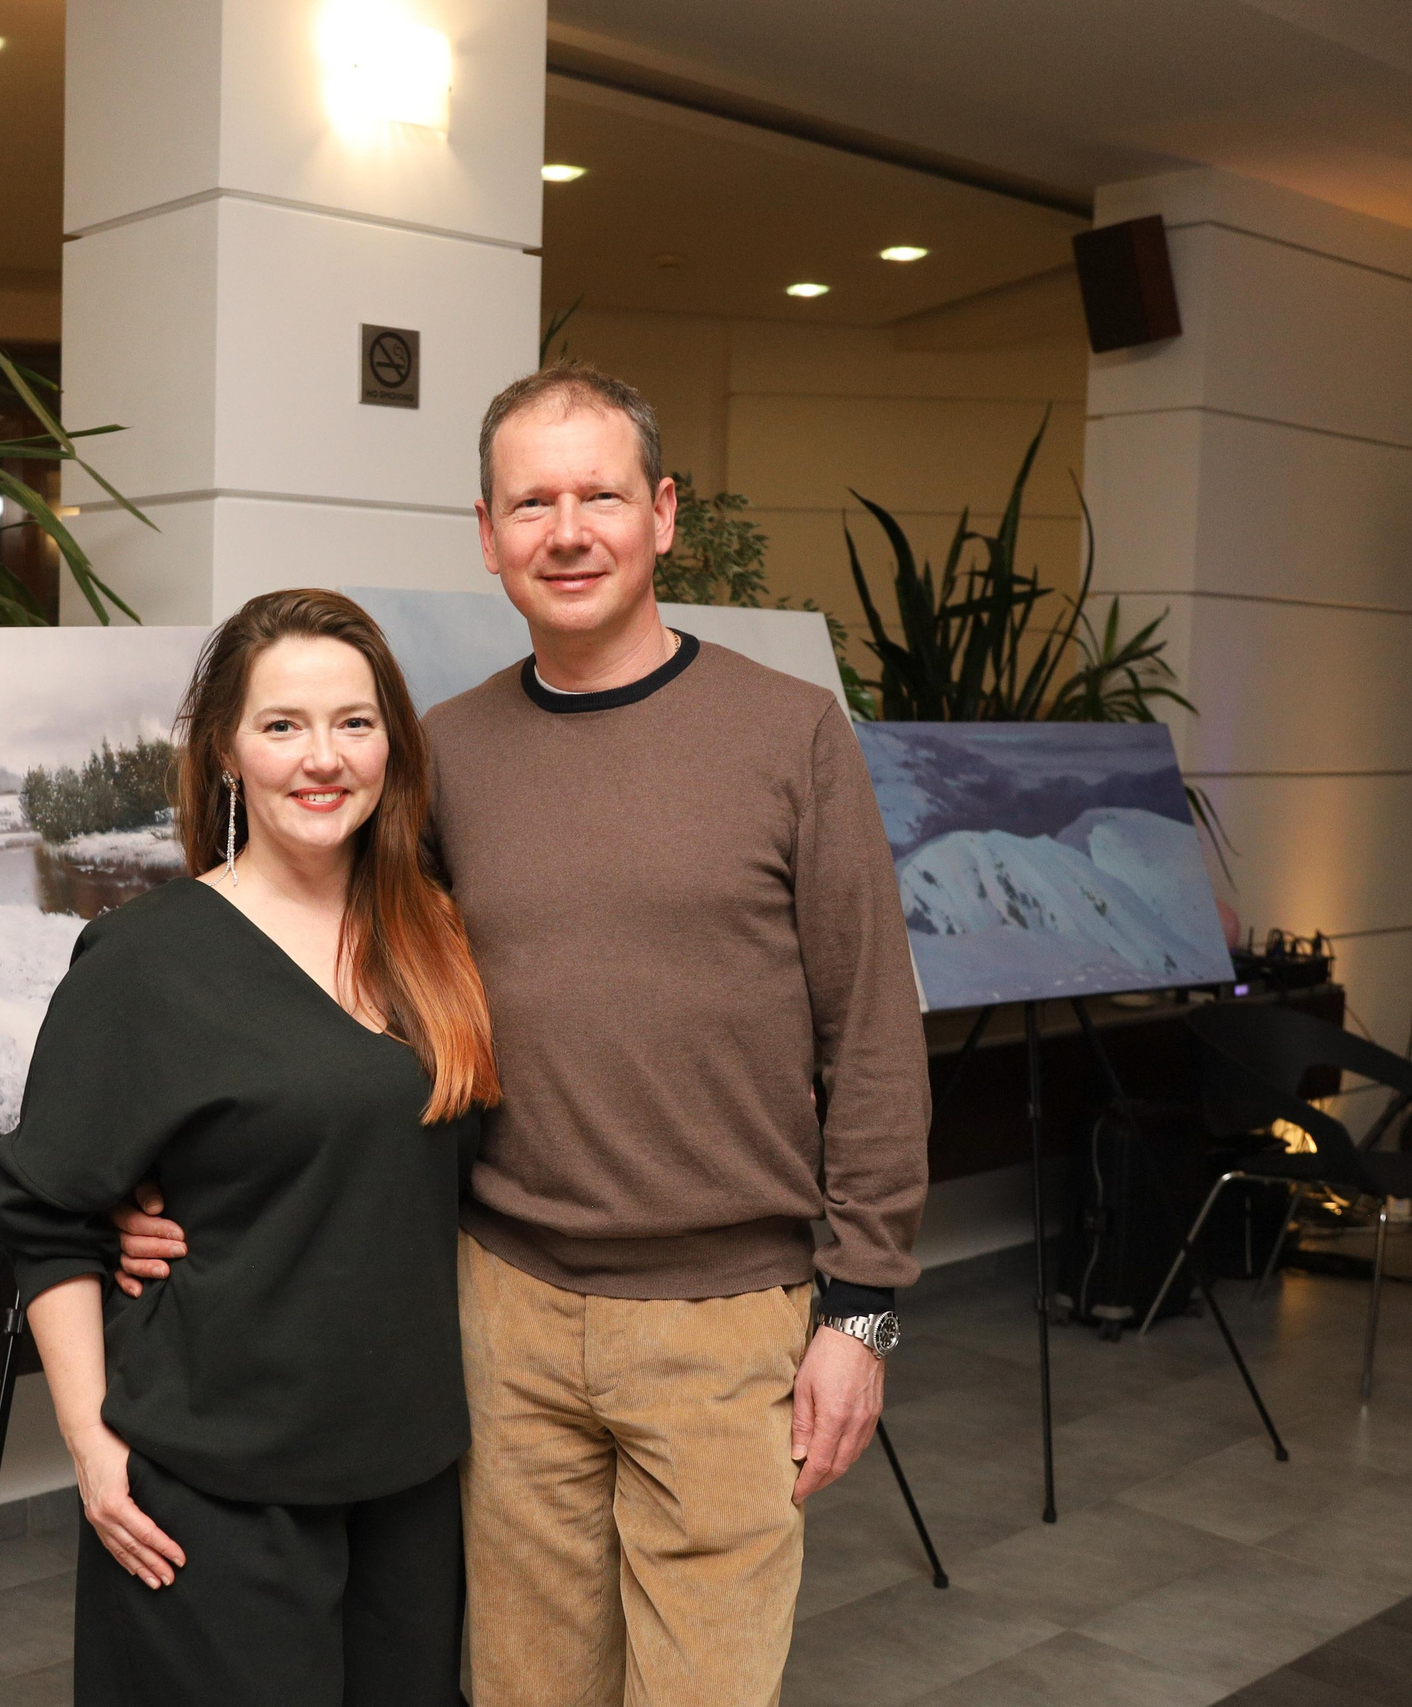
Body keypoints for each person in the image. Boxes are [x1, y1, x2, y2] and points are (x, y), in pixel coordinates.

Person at [114, 361, 931, 1706]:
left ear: (662, 514)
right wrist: (155, 1181)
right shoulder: (441, 755)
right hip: (498, 1315)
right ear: (487, 535)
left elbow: (874, 1033)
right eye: (531, 503)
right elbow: (321, 987)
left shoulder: (789, 736)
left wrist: (863, 1311)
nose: (567, 531)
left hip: (727, 1323)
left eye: (599, 495)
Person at [0, 588, 500, 1707]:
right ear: (226, 750)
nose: (323, 758)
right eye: (282, 725)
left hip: (409, 1474)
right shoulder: (143, 961)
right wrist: (93, 1447)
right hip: (213, 1490)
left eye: (354, 723)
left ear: (392, 744)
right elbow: (40, 1208)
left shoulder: (437, 937)